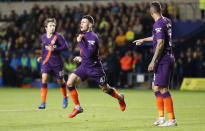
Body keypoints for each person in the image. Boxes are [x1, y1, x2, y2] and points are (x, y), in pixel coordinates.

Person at [66, 15, 126, 118]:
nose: (81, 24)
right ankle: (78, 107)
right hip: (84, 66)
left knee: (105, 89)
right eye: (81, 22)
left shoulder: (92, 37)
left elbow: (89, 53)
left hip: (95, 68)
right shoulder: (83, 36)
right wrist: (81, 58)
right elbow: (86, 54)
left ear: (90, 25)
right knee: (70, 82)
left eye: (84, 22)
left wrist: (79, 42)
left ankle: (120, 97)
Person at [133, 1, 177, 126]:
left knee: (163, 89)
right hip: (165, 58)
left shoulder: (158, 23)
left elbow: (160, 42)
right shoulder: (167, 21)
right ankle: (161, 118)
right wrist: (143, 39)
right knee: (155, 87)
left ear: (151, 12)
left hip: (163, 59)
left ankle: (172, 120)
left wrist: (153, 60)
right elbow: (157, 37)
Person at [37, 18, 69, 109]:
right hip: (46, 62)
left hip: (57, 63)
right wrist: (40, 56)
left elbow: (66, 47)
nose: (52, 27)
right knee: (44, 79)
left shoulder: (58, 36)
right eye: (50, 26)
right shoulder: (43, 36)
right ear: (46, 27)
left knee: (60, 81)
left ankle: (65, 97)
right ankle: (43, 102)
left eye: (54, 26)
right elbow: (43, 47)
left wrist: (55, 49)